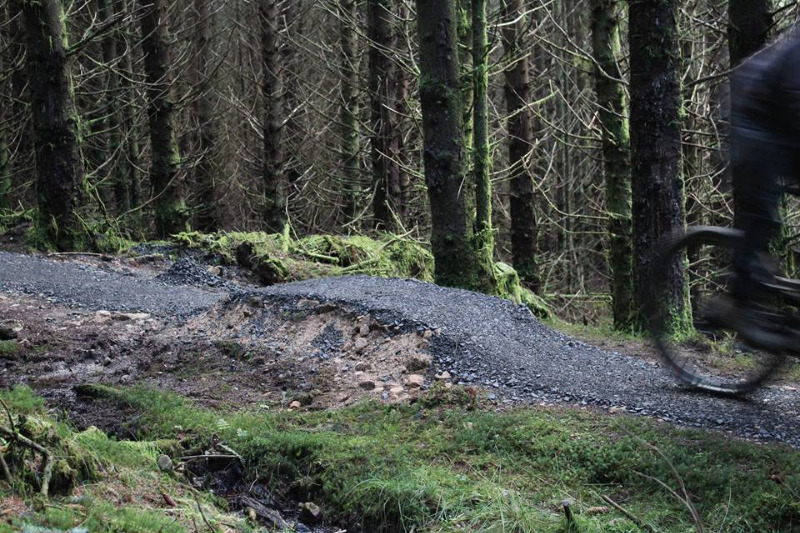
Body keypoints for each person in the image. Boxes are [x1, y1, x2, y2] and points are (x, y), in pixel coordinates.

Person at [725, 29, 800, 348]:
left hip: (782, 132)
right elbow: (794, 101)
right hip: (754, 126)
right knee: (763, 214)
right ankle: (739, 306)